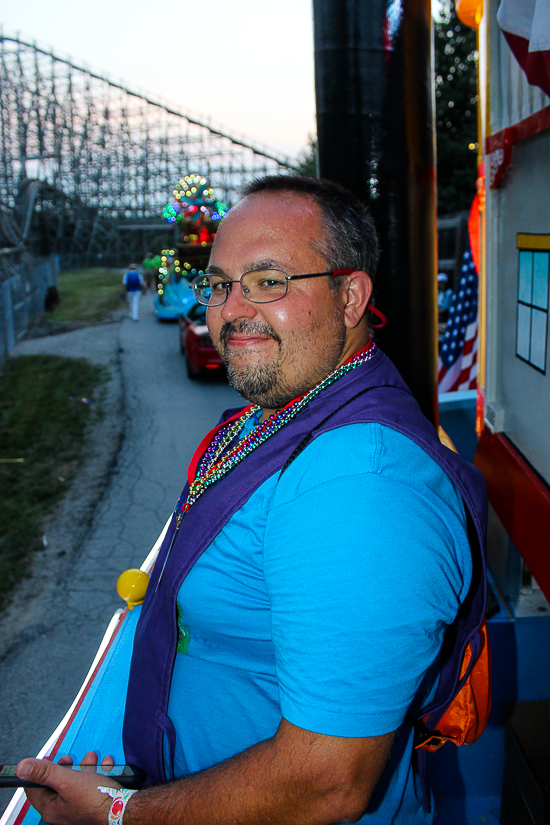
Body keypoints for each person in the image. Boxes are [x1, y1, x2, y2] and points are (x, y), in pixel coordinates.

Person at [17, 176, 487, 825]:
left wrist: (120, 814)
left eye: (269, 281)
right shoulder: (285, 411)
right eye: (220, 284)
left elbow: (329, 782)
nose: (232, 308)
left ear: (351, 295)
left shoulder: (360, 484)